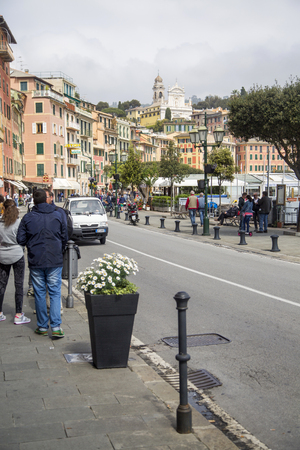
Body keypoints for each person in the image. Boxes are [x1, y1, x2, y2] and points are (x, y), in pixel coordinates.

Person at [17, 189, 68, 338]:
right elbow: (65, 236)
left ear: (34, 200)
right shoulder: (58, 215)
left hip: (36, 259)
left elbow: (20, 240)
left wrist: (32, 243)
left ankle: (42, 326)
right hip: (54, 259)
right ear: (47, 199)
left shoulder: (27, 218)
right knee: (54, 292)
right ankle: (56, 327)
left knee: (39, 293)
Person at [0, 199, 31, 325]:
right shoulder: (19, 223)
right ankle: (18, 314)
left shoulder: (0, 223)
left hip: (2, 255)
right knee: (18, 284)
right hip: (17, 254)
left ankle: (0, 313)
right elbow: (22, 239)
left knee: (1, 284)